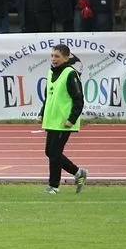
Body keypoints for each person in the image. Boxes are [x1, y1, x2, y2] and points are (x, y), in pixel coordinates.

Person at [38, 44, 87, 195]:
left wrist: (71, 119)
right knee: (50, 152)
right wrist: (41, 113)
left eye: (57, 56)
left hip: (63, 121)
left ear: (66, 58)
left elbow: (79, 99)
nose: (53, 59)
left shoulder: (70, 74)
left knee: (54, 152)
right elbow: (48, 96)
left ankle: (53, 186)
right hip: (52, 120)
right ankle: (78, 172)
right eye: (52, 56)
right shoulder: (50, 72)